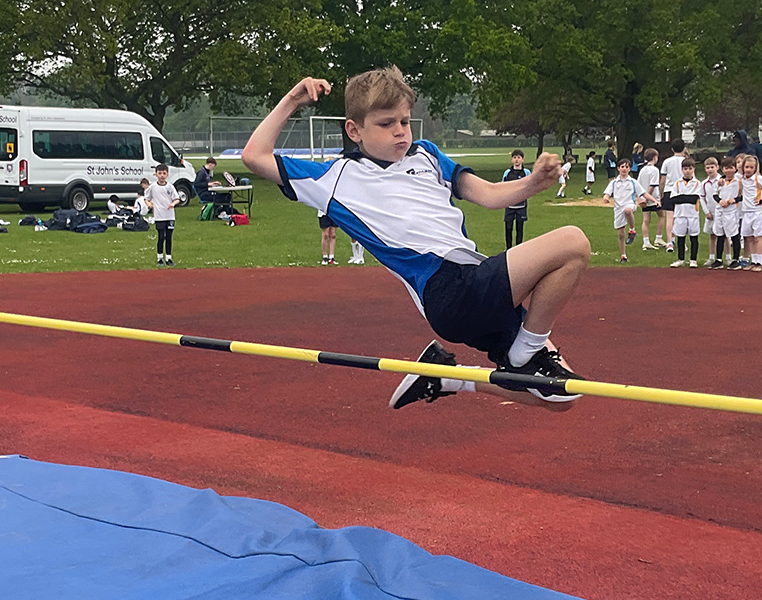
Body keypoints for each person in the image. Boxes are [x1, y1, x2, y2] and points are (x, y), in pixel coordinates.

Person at [241, 69, 591, 410]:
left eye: (404, 122)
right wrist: (292, 100)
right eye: (385, 123)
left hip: (475, 276)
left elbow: (487, 194)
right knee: (572, 243)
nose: (399, 132)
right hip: (449, 288)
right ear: (354, 130)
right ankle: (526, 350)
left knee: (562, 396)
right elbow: (254, 156)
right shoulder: (333, 177)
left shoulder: (427, 155)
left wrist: (532, 184)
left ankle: (453, 378)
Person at [602, 158, 655, 263]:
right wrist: (606, 197)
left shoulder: (633, 182)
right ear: (618, 168)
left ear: (630, 169)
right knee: (621, 234)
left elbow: (643, 193)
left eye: (626, 167)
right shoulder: (614, 182)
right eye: (622, 167)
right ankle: (623, 256)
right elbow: (607, 193)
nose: (624, 169)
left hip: (630, 204)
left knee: (628, 210)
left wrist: (654, 200)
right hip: (618, 208)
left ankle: (632, 229)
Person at [739, 155, 762, 272]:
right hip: (746, 212)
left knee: (757, 237)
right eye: (747, 167)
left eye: (751, 167)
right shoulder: (742, 179)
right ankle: (753, 261)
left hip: (757, 212)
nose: (748, 169)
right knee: (748, 238)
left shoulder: (758, 179)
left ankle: (759, 262)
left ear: (755, 168)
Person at [668, 157, 702, 268]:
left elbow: (694, 199)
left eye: (690, 168)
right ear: (682, 169)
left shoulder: (697, 183)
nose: (687, 171)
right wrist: (685, 198)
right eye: (685, 168)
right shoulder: (677, 183)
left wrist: (681, 197)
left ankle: (693, 259)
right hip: (680, 214)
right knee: (680, 238)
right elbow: (673, 199)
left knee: (693, 238)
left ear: (694, 169)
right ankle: (681, 259)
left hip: (693, 214)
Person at [145, 163, 179, 267]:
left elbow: (177, 199)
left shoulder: (170, 187)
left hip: (170, 216)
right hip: (159, 216)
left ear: (167, 174)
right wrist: (149, 204)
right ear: (156, 174)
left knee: (169, 237)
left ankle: (168, 258)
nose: (162, 175)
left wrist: (172, 204)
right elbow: (146, 198)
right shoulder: (153, 187)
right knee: (161, 237)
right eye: (160, 173)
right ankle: (159, 258)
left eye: (164, 173)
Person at [713, 156, 743, 269]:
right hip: (720, 210)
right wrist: (720, 201)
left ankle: (736, 259)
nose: (728, 170)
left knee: (734, 234)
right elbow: (714, 194)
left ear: (735, 168)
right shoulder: (720, 182)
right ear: (722, 169)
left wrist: (734, 200)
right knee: (720, 234)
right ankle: (719, 259)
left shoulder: (739, 181)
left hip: (731, 210)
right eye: (726, 168)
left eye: (731, 168)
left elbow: (742, 197)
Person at [658, 138, 687, 253]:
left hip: (669, 190)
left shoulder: (667, 161)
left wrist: (660, 194)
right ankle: (681, 242)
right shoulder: (686, 161)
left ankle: (670, 242)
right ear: (684, 148)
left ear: (672, 149)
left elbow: (663, 180)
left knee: (670, 218)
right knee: (681, 218)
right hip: (683, 191)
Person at [502, 150, 531, 249]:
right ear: (512, 160)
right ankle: (508, 249)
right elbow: (503, 186)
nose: (516, 160)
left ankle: (518, 249)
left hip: (521, 205)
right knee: (508, 227)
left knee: (520, 228)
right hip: (509, 205)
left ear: (522, 159)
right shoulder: (507, 173)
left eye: (519, 157)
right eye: (514, 157)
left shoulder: (526, 172)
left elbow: (530, 186)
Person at [698, 156, 721, 266]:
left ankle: (728, 257)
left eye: (712, 167)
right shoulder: (704, 183)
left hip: (721, 211)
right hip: (710, 212)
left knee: (724, 236)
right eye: (707, 167)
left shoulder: (722, 181)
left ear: (717, 167)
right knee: (712, 235)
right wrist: (706, 211)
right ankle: (711, 257)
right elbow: (702, 197)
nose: (710, 170)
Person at [637, 148, 662, 250]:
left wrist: (641, 198)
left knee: (646, 220)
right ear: (655, 158)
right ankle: (658, 238)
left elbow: (638, 185)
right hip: (653, 197)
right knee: (662, 216)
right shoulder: (655, 170)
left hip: (644, 197)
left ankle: (646, 241)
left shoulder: (642, 170)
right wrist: (648, 198)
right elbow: (652, 185)